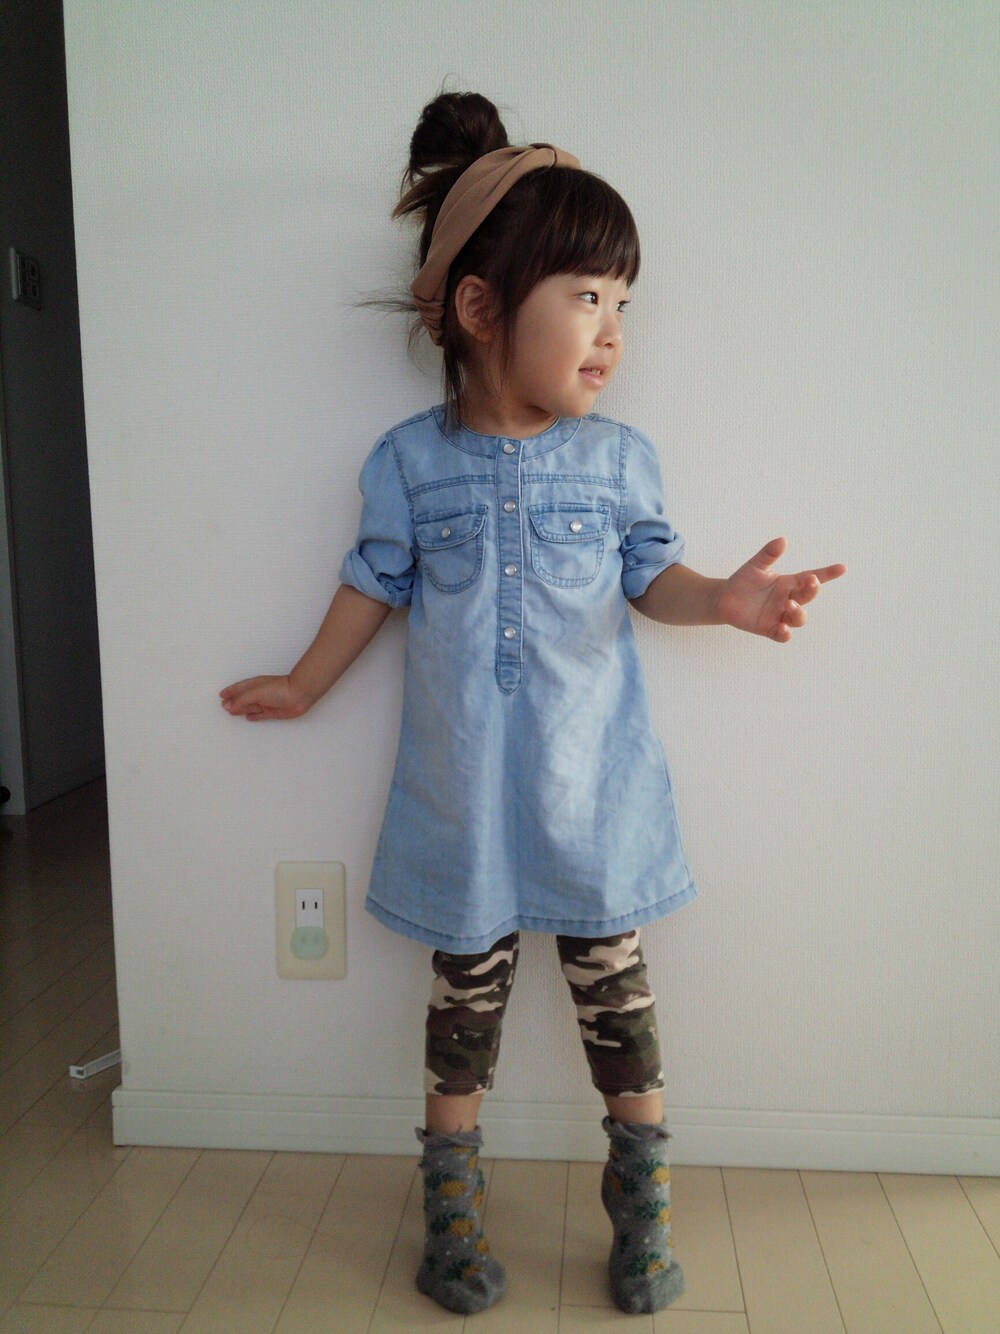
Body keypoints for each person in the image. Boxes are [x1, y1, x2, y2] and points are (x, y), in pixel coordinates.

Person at [220, 91, 846, 1318]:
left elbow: (653, 576)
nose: (612, 332)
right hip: (465, 808)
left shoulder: (618, 460)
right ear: (479, 309)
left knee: (623, 1015)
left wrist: (724, 599)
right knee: (460, 1020)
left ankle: (641, 1206)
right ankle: (450, 1214)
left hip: (591, 798)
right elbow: (371, 585)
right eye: (587, 297)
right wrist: (301, 680)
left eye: (624, 305)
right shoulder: (408, 462)